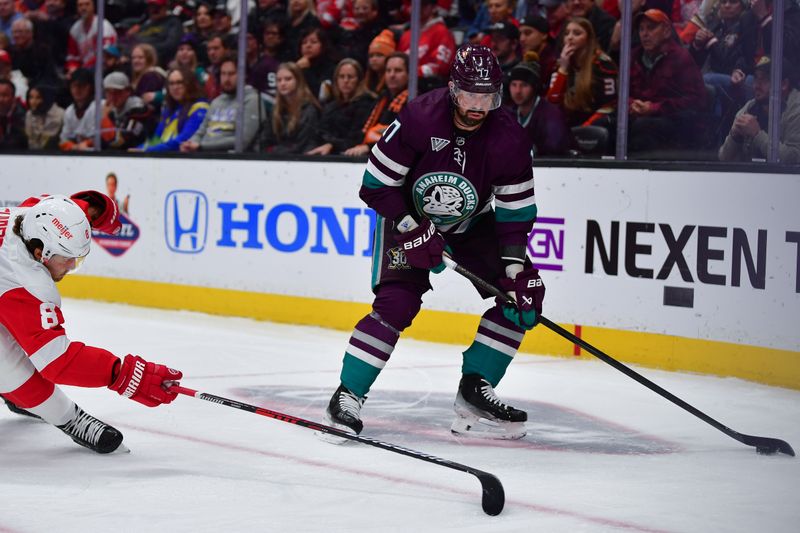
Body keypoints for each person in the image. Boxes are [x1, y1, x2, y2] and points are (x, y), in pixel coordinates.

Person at [325, 44, 544, 440]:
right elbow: (375, 187)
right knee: (396, 303)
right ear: (452, 89)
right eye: (470, 95)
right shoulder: (419, 116)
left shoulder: (510, 138)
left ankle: (476, 389)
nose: (478, 106)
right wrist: (411, 226)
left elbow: (513, 216)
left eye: (487, 96)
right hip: (406, 218)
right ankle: (347, 395)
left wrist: (513, 271)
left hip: (471, 225)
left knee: (521, 296)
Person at [0, 192, 182, 454]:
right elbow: (57, 362)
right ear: (40, 253)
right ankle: (69, 418)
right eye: (67, 259)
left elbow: (64, 211)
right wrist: (121, 374)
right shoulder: (26, 282)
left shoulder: (31, 216)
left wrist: (96, 211)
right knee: (10, 368)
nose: (72, 265)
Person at [628, 9, 707, 153]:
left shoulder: (681, 58)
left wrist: (653, 108)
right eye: (641, 29)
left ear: (666, 31)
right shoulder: (633, 56)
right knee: (612, 124)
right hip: (639, 116)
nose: (644, 34)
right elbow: (622, 94)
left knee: (642, 127)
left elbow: (697, 100)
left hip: (674, 121)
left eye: (651, 28)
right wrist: (631, 105)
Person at [719, 56, 800, 163]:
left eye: (765, 79)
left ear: (783, 84)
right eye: (756, 77)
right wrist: (734, 137)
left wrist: (757, 135)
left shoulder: (796, 110)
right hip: (751, 177)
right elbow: (724, 158)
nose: (757, 85)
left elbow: (794, 159)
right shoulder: (749, 108)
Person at [180, 55, 264, 152]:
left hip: (231, 160)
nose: (226, 79)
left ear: (243, 75)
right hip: (205, 156)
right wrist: (190, 143)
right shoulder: (216, 102)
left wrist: (201, 146)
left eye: (231, 74)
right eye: (223, 74)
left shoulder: (252, 100)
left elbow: (242, 141)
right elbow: (201, 132)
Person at [546, 17, 618, 128]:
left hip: (597, 123)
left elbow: (609, 105)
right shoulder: (561, 64)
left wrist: (586, 127)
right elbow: (552, 104)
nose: (570, 37)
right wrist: (563, 69)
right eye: (566, 33)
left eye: (577, 33)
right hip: (571, 123)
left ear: (588, 38)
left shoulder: (603, 64)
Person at [344, 51, 409, 157]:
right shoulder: (381, 99)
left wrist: (368, 147)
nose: (392, 75)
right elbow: (363, 131)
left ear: (409, 74)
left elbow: (403, 139)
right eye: (388, 70)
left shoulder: (414, 102)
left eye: (398, 70)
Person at [508, 52, 573, 156]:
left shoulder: (551, 115)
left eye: (524, 85)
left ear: (535, 87)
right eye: (514, 85)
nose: (517, 91)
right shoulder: (509, 114)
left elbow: (555, 150)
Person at [307, 58, 376, 155]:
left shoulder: (367, 104)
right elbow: (319, 132)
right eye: (341, 77)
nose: (345, 81)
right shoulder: (330, 106)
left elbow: (356, 138)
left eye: (350, 77)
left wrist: (332, 145)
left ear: (359, 80)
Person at [138, 66, 209, 152]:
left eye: (179, 83)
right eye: (171, 83)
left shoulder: (200, 108)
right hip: (162, 158)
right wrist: (140, 148)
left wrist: (147, 150)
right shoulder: (169, 109)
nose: (175, 87)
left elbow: (183, 140)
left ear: (190, 84)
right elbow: (156, 139)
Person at [261, 61, 321, 154]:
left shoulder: (309, 110)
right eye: (279, 80)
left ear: (298, 81)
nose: (282, 83)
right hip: (276, 160)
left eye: (288, 79)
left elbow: (301, 145)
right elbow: (264, 141)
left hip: (302, 161)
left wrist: (273, 151)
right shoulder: (276, 110)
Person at [397, 0, 455, 91]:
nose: (419, 9)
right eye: (415, 5)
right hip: (404, 85)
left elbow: (439, 67)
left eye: (424, 5)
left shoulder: (442, 32)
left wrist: (410, 73)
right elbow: (398, 61)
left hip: (428, 88)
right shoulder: (407, 35)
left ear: (433, 7)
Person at [100, 71, 152, 150]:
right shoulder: (111, 111)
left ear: (128, 91)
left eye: (117, 92)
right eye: (109, 92)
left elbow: (119, 142)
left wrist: (104, 118)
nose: (112, 97)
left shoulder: (138, 110)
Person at [65, 0, 117, 75]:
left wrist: (83, 70)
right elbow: (73, 56)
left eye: (87, 4)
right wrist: (73, 68)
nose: (83, 8)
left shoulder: (104, 26)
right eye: (80, 5)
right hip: (84, 71)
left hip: (104, 70)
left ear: (93, 7)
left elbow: (106, 56)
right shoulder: (75, 29)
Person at [128, 0, 184, 69]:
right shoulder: (145, 25)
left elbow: (171, 45)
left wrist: (145, 50)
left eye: (157, 7)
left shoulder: (173, 22)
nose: (153, 10)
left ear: (165, 7)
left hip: (159, 61)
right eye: (151, 7)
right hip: (138, 59)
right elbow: (133, 42)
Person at [58, 67, 97, 151]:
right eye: (73, 86)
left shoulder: (97, 107)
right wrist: (74, 147)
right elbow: (63, 141)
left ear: (90, 87)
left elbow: (100, 138)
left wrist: (86, 143)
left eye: (81, 86)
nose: (77, 89)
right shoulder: (69, 111)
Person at [24, 84, 64, 150]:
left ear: (47, 98)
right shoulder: (29, 114)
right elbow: (30, 138)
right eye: (31, 97)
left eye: (38, 97)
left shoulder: (60, 114)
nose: (33, 101)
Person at [364, 28, 394, 94]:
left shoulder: (393, 84)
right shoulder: (367, 82)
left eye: (379, 55)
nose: (374, 59)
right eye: (371, 56)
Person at [0, 78, 26, 149]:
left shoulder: (22, 116)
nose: (1, 99)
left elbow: (18, 141)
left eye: (5, 95)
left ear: (13, 98)